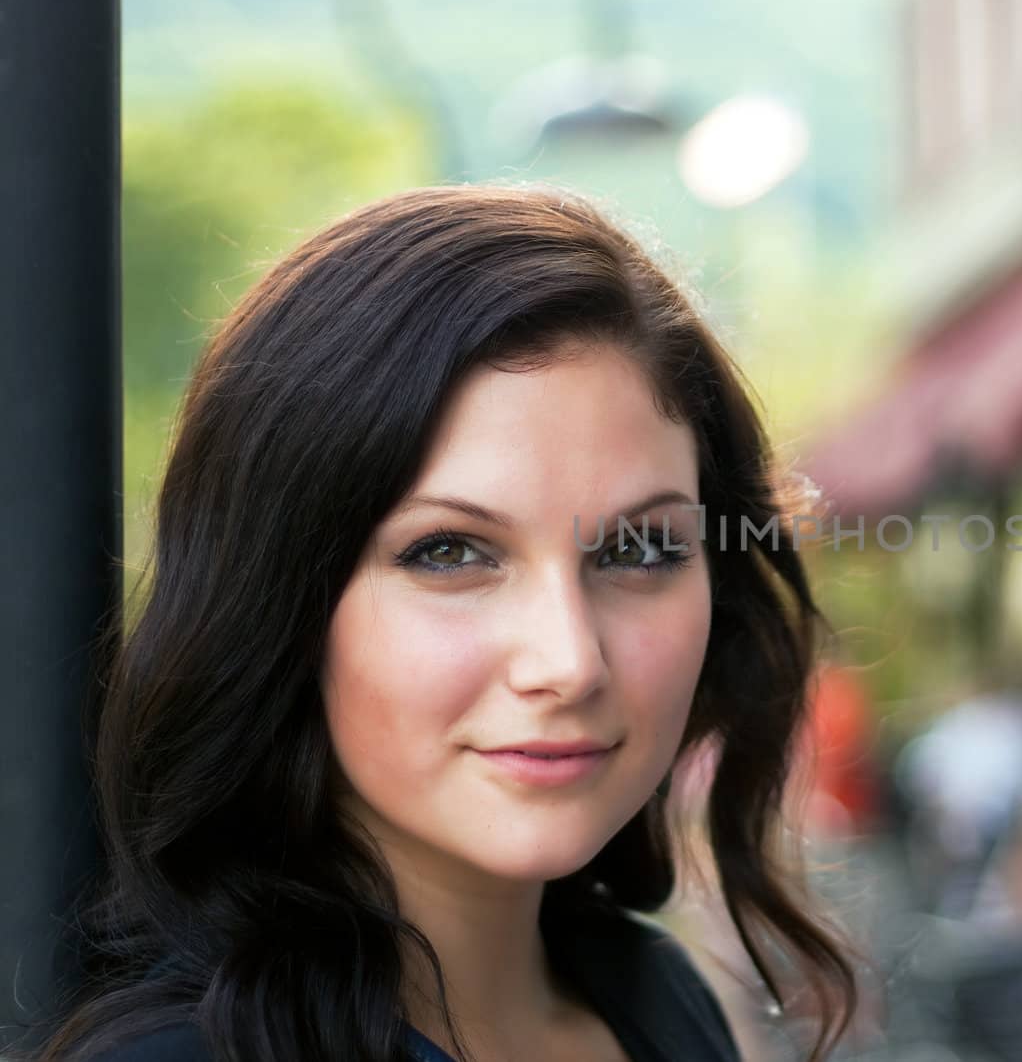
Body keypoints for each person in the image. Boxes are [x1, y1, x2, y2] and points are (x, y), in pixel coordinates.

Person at [28, 186, 856, 1062]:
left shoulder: (657, 998)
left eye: (640, 550)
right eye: (451, 552)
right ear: (282, 603)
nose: (569, 662)